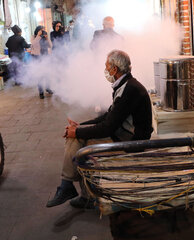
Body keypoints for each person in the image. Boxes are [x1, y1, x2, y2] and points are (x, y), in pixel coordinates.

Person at [46, 50, 153, 208]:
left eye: (107, 66)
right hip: (123, 135)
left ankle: (75, 190)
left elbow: (107, 128)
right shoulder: (125, 85)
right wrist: (80, 126)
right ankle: (74, 189)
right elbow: (107, 117)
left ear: (114, 69)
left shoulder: (129, 90)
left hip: (132, 142)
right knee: (76, 139)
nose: (106, 70)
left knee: (79, 144)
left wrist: (77, 132)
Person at [30, 26, 53, 99]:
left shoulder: (44, 37)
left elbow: (50, 46)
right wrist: (38, 36)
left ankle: (48, 88)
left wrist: (47, 38)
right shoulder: (34, 37)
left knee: (47, 74)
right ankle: (41, 92)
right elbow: (33, 44)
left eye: (43, 30)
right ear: (37, 30)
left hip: (45, 57)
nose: (42, 32)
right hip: (37, 58)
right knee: (39, 75)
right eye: (41, 30)